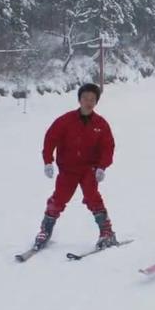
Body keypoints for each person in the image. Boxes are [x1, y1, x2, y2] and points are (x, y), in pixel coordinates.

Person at [33, 83, 117, 251]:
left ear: (96, 102)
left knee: (93, 197)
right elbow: (50, 139)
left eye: (92, 99)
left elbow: (108, 147)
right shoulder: (65, 120)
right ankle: (45, 230)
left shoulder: (101, 124)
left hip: (89, 170)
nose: (89, 102)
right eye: (85, 98)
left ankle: (107, 232)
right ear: (79, 99)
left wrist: (102, 167)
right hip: (68, 169)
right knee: (59, 198)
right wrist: (48, 161)